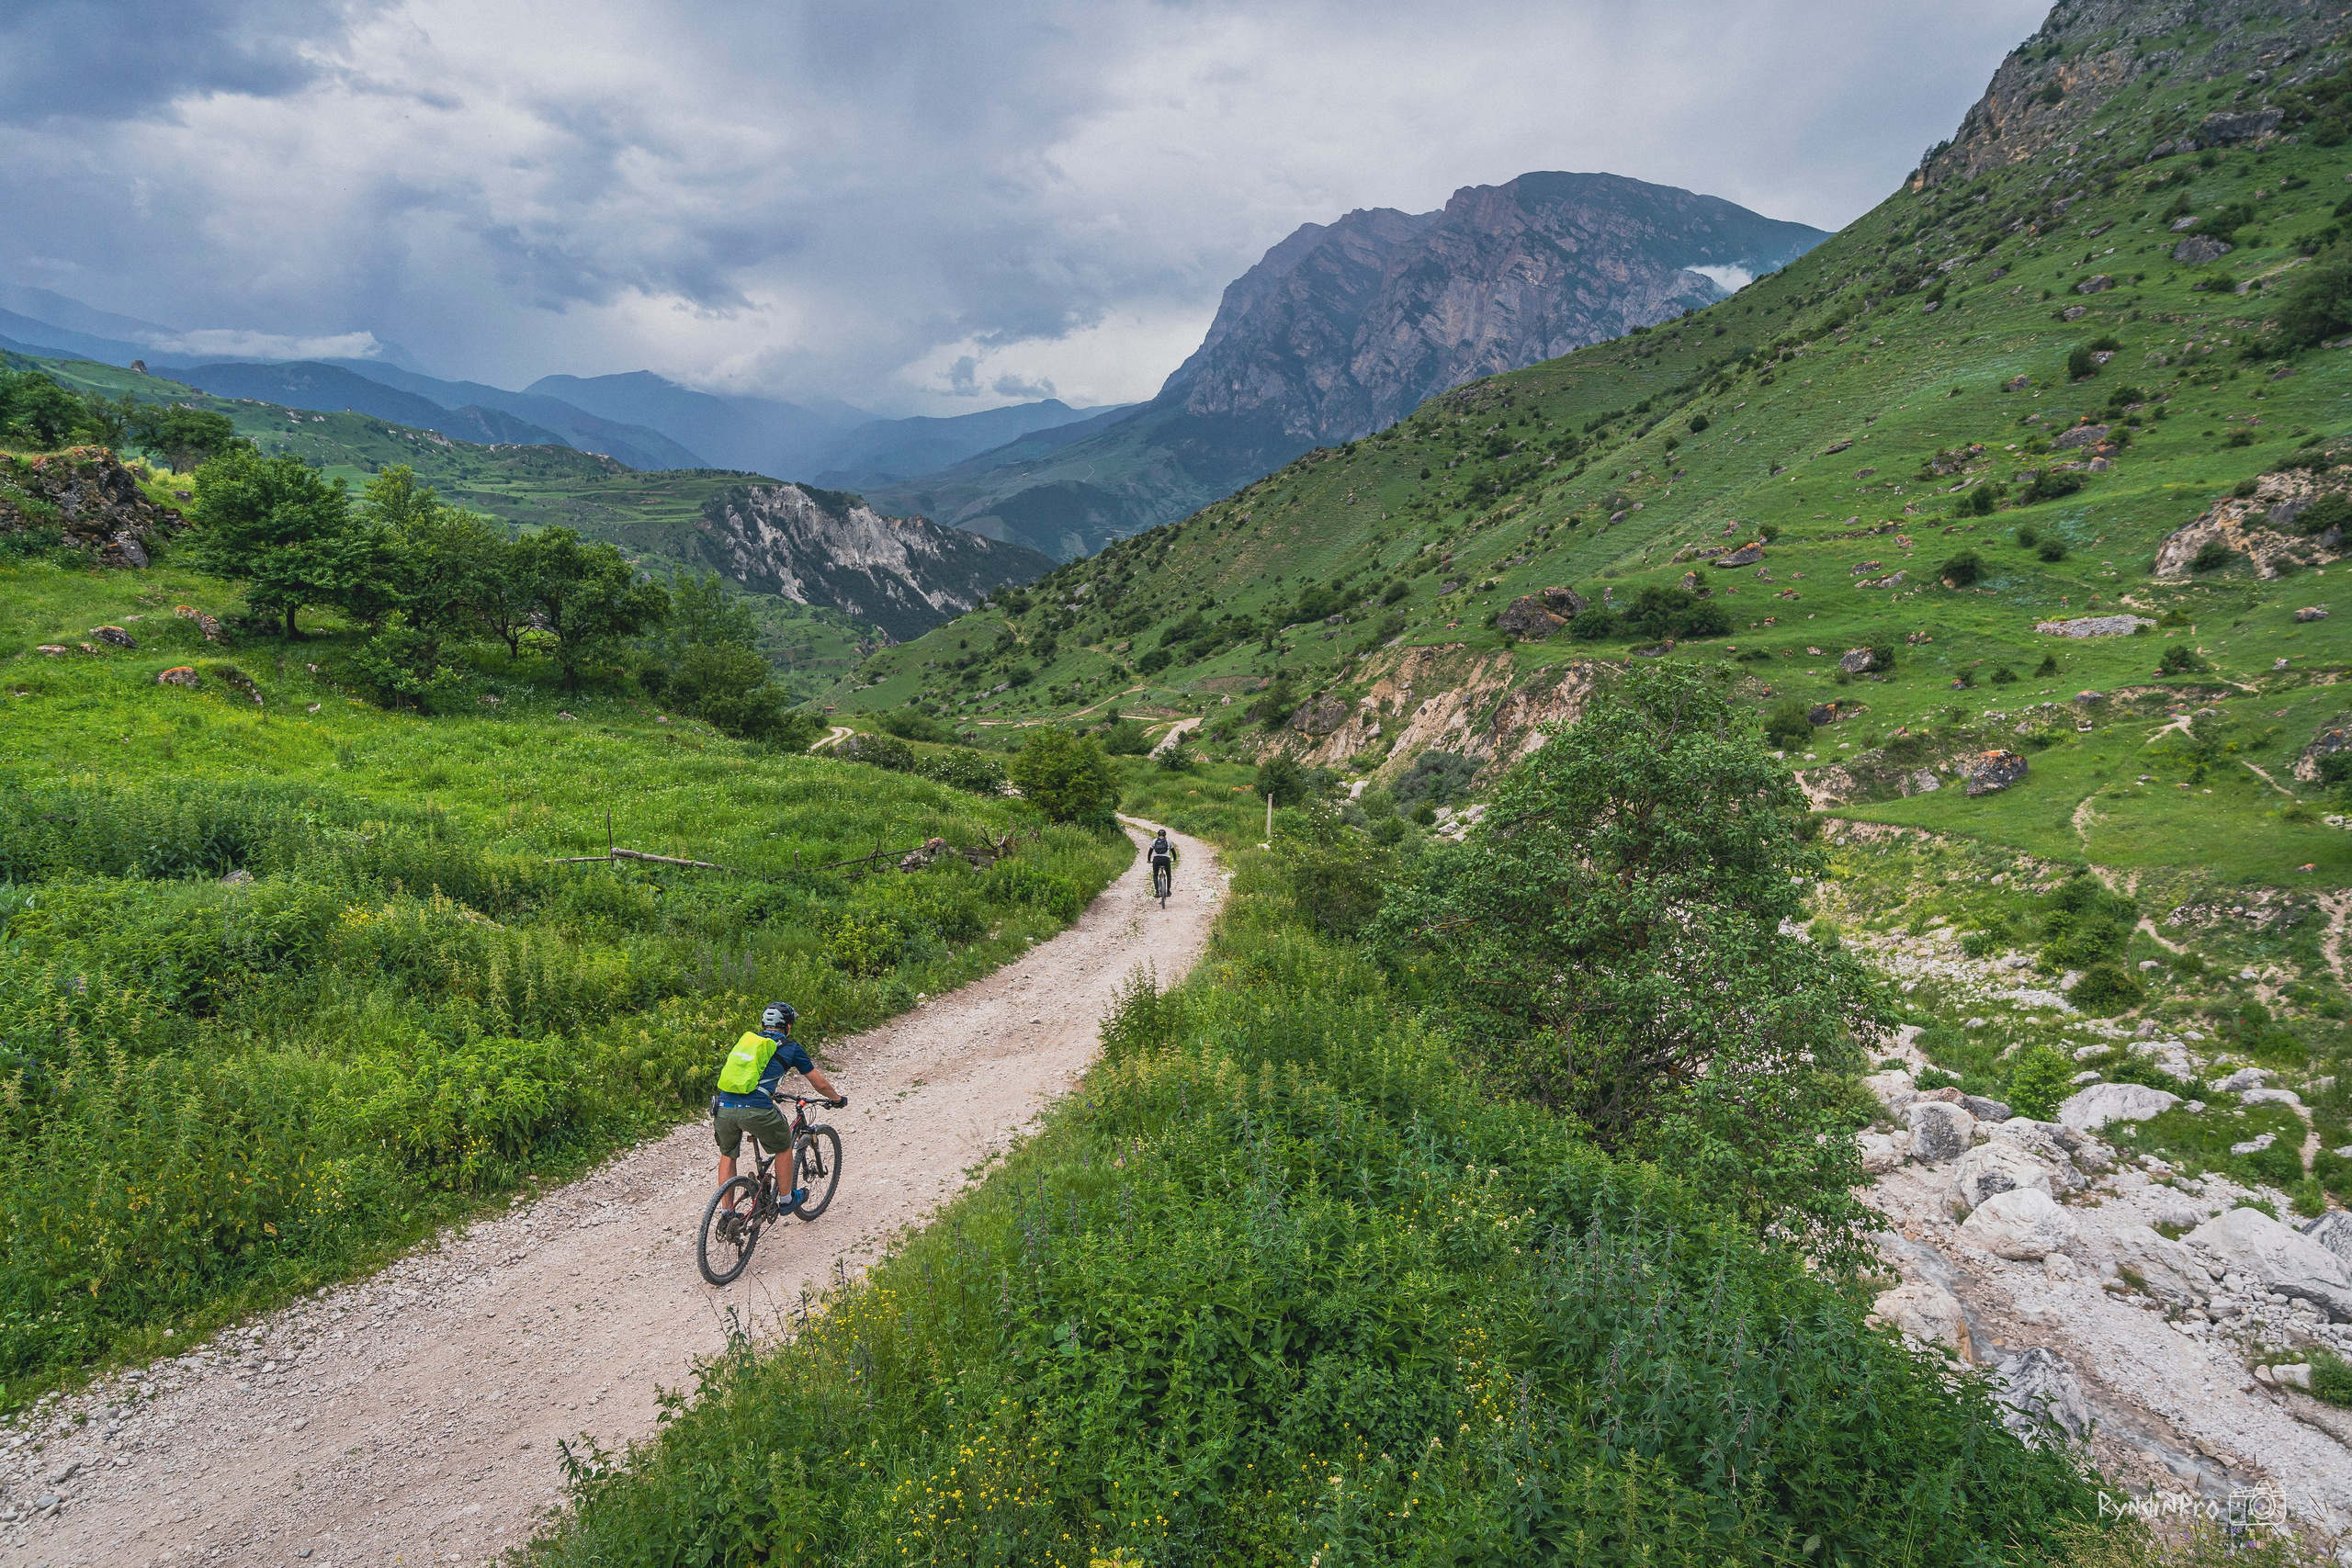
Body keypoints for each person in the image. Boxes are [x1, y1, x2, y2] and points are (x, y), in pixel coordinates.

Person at [713, 1002, 843, 1217]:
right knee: (783, 1147)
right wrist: (837, 1099)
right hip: (755, 1110)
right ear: (788, 1026)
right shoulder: (791, 1048)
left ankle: (727, 1213)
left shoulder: (748, 1042)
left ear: (764, 1024)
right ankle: (786, 1200)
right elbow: (819, 1084)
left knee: (728, 1154)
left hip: (723, 1106)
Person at [1147, 828, 1175, 894]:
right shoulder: (1168, 841)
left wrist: (1149, 860)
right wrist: (1174, 859)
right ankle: (1168, 891)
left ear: (1158, 835)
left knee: (1155, 875)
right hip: (1166, 859)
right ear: (1165, 835)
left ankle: (1157, 892)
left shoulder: (1154, 841)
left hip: (1156, 859)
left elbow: (1150, 852)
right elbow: (1173, 852)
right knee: (1168, 874)